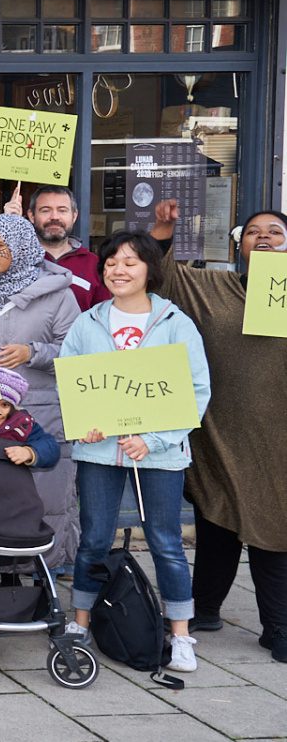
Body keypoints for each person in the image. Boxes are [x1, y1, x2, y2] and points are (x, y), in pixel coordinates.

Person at [60, 232, 211, 673]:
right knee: (93, 539)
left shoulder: (175, 322)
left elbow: (196, 388)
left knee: (166, 542)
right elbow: (73, 381)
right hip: (100, 452)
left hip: (160, 454)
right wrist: (82, 425)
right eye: (111, 263)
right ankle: (81, 621)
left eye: (130, 262)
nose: (118, 270)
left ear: (149, 269)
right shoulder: (88, 323)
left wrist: (156, 438)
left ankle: (180, 633)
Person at [150, 203, 287, 659]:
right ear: (239, 246)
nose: (263, 238)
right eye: (252, 233)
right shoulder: (214, 287)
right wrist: (164, 230)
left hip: (277, 438)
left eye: (274, 232)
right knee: (216, 522)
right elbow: (163, 276)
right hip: (219, 431)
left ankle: (278, 627)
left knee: (272, 530)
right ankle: (204, 608)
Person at [0, 213, 81, 569]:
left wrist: (34, 352)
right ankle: (0, 575)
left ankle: (49, 574)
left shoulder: (59, 295)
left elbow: (76, 354)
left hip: (42, 412)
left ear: (22, 247)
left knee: (48, 500)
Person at [5, 185, 111, 310]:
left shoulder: (93, 264)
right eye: (45, 210)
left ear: (74, 216)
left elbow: (102, 316)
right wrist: (9, 225)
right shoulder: (13, 259)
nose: (54, 217)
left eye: (62, 210)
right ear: (32, 216)